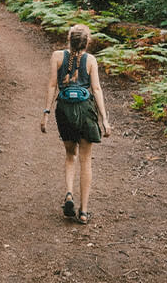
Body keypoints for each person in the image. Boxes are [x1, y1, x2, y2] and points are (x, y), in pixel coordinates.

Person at [40, 23, 111, 224]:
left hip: (64, 111)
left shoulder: (57, 56)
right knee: (85, 161)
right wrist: (104, 119)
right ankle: (83, 211)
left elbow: (52, 85)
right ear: (87, 42)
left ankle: (69, 193)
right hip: (85, 112)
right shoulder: (90, 60)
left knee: (70, 155)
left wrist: (46, 112)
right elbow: (96, 90)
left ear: (69, 39)